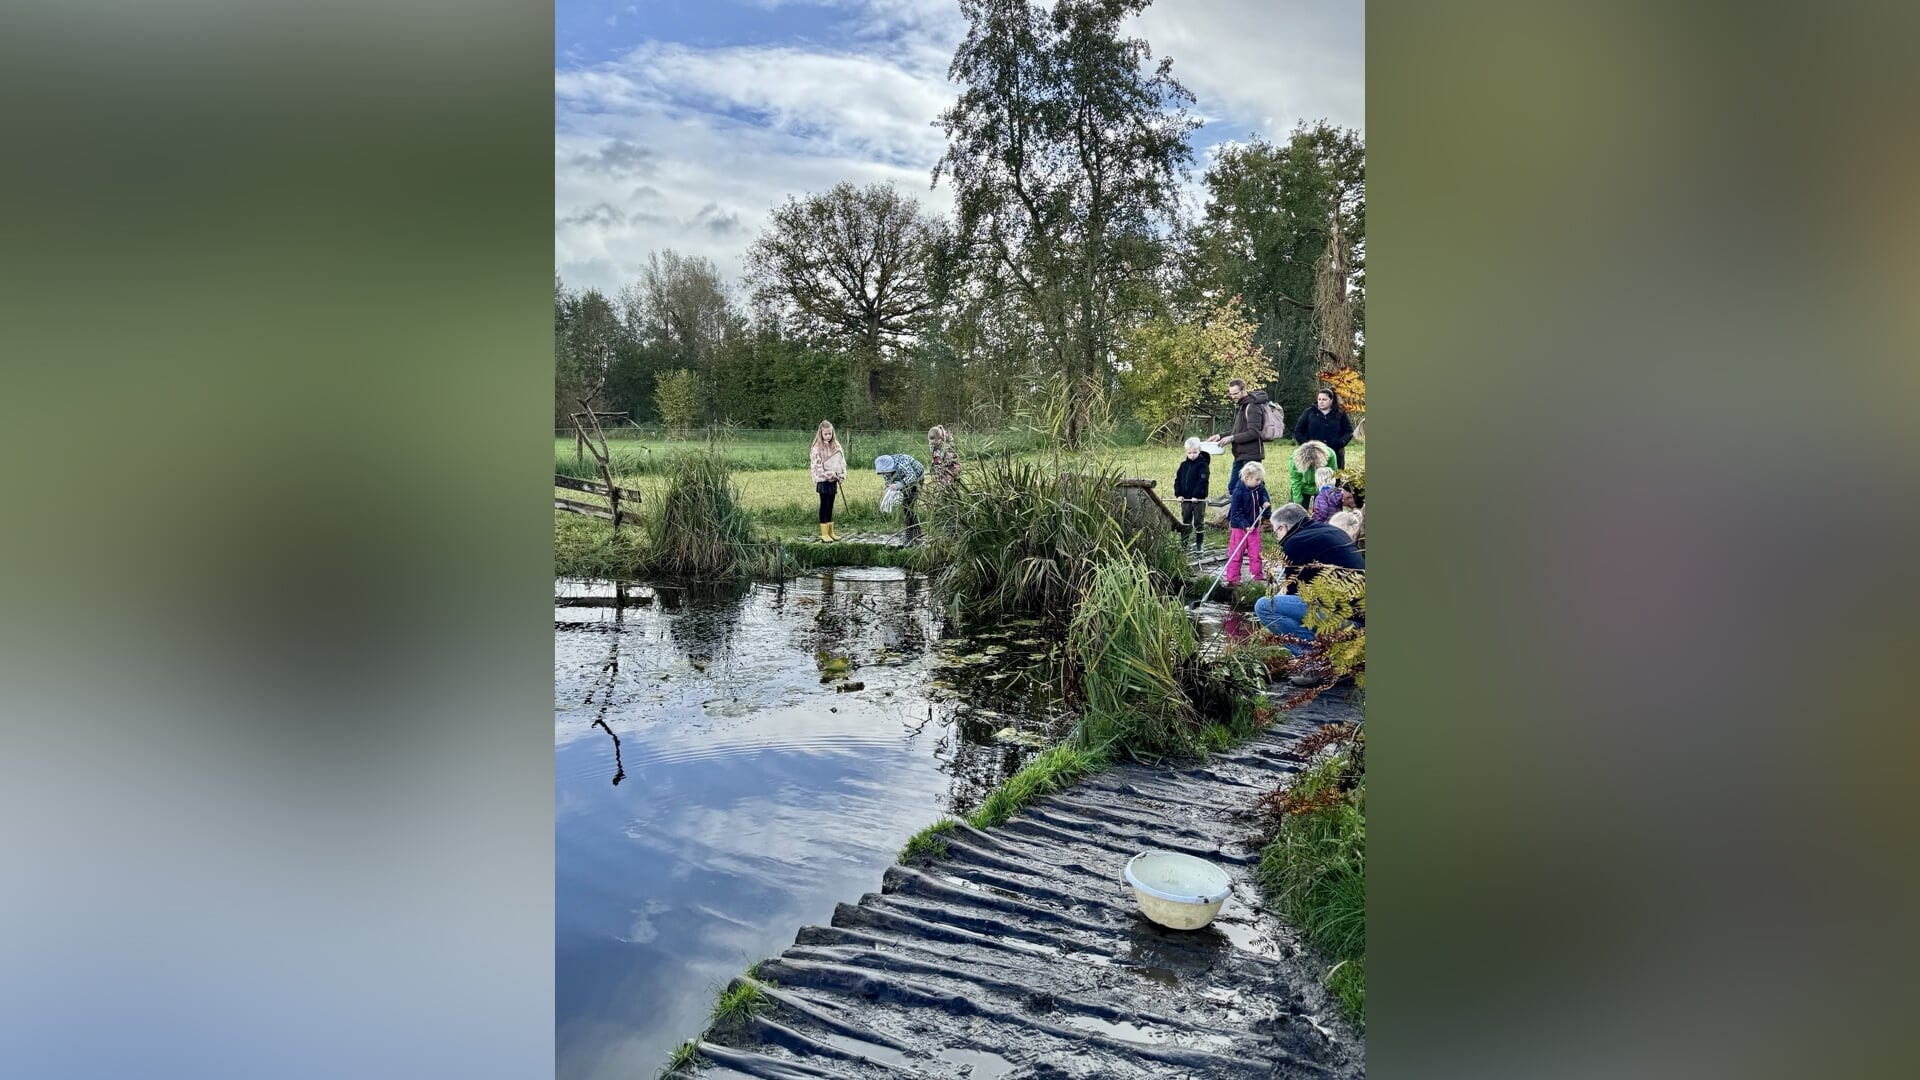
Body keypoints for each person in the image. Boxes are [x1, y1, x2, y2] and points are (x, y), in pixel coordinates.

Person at [1254, 503, 1365, 653]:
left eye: (1276, 533)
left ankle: (1311, 657)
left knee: (1264, 606)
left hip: (1348, 621)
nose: (1277, 538)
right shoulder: (1332, 531)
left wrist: (1282, 593)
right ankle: (1323, 653)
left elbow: (1295, 592)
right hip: (1360, 613)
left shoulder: (1294, 543)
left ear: (1283, 528)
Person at [1208, 378, 1274, 505]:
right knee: (1234, 487)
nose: (1233, 397)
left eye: (1235, 393)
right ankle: (1229, 517)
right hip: (1240, 454)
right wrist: (1220, 436)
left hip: (1252, 454)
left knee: (1256, 487)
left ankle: (1266, 519)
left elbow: (1254, 433)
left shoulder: (1252, 407)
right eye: (1231, 394)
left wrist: (1232, 438)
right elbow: (1237, 431)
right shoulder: (1241, 407)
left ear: (1244, 390)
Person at [1223, 460, 1271, 586]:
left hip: (1254, 528)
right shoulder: (1238, 492)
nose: (1259, 482)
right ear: (1247, 478)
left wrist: (1265, 502)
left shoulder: (1258, 487)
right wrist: (1245, 525)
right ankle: (1233, 579)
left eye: (1260, 480)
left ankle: (1257, 578)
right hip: (1239, 528)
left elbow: (1263, 495)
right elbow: (1236, 513)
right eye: (1257, 479)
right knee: (1236, 553)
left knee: (1256, 553)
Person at [1294, 388, 1355, 471]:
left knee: (1335, 479)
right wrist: (1307, 445)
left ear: (1331, 400)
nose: (1321, 402)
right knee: (1315, 479)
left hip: (1335, 453)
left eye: (1324, 399)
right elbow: (1298, 431)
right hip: (1313, 454)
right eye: (1319, 399)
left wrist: (1340, 442)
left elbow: (1348, 431)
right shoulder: (1309, 412)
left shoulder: (1340, 413)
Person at [874, 452, 926, 544]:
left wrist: (899, 485)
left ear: (889, 467)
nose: (884, 474)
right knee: (908, 507)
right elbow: (888, 483)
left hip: (916, 478)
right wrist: (889, 493)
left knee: (908, 505)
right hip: (902, 480)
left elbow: (912, 476)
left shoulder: (902, 463)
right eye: (882, 473)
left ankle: (909, 535)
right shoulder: (886, 472)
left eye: (885, 472)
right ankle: (917, 531)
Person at [808, 420, 847, 541]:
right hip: (823, 480)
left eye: (830, 433)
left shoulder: (836, 445)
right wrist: (828, 474)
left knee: (831, 505)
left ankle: (831, 532)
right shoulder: (816, 448)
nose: (828, 436)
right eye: (826, 434)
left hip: (834, 479)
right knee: (824, 505)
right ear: (821, 433)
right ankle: (824, 533)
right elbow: (817, 465)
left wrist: (840, 475)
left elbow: (841, 460)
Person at [1173, 436, 1211, 555]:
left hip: (1198, 500)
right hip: (1186, 500)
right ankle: (1183, 544)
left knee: (1199, 522)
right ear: (1186, 452)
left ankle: (1199, 545)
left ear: (1199, 451)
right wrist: (1178, 494)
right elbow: (1177, 480)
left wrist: (1197, 495)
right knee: (1186, 521)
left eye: (1195, 452)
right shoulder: (1183, 465)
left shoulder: (1203, 465)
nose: (1192, 455)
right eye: (1189, 452)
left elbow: (1202, 481)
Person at [1287, 440, 1335, 509]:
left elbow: (1331, 478)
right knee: (1298, 512)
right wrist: (1297, 500)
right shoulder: (1296, 457)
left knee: (1321, 512)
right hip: (1302, 486)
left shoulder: (1330, 455)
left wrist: (1326, 498)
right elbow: (1295, 479)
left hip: (1322, 486)